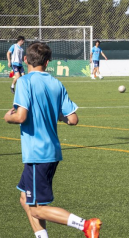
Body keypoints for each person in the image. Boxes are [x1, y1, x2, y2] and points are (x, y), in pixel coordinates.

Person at [4, 42, 101, 238]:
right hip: (51, 151)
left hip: (36, 153)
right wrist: (53, 113)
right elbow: (73, 119)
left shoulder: (24, 81)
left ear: (25, 60)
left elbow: (21, 116)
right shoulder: (56, 83)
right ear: (48, 62)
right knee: (25, 198)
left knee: (37, 210)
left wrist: (8, 117)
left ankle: (85, 224)